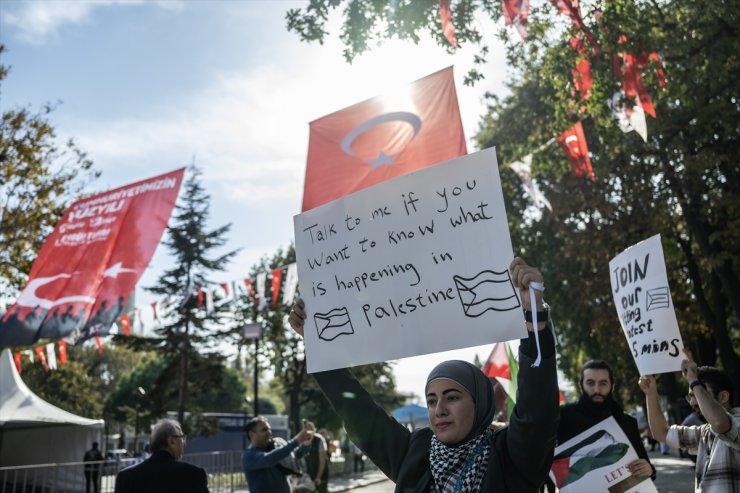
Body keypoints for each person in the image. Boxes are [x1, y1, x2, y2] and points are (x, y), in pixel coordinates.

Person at [289, 257, 559, 492]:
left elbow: (538, 410)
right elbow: (358, 412)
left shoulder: (511, 455)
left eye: (452, 398)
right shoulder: (416, 454)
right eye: (431, 400)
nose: (439, 409)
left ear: (479, 404)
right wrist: (318, 344)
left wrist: (535, 315)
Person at [546, 359, 655, 493]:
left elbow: (645, 463)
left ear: (612, 386)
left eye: (603, 383)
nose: (597, 390)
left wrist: (648, 469)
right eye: (590, 383)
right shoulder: (563, 416)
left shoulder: (626, 422)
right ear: (581, 385)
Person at [639, 351, 740, 492]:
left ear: (723, 396)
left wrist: (693, 380)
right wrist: (651, 393)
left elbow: (720, 423)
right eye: (691, 396)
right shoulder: (705, 431)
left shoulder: (736, 421)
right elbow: (662, 433)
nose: (693, 402)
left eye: (699, 393)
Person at [113, 419, 209, 493]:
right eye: (182, 438)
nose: (184, 444)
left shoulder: (125, 477)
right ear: (172, 441)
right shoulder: (193, 475)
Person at [242, 415, 313, 493]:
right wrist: (296, 441)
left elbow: (294, 456)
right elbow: (269, 459)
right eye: (264, 430)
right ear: (251, 434)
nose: (269, 433)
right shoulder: (249, 456)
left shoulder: (275, 446)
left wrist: (306, 444)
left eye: (269, 429)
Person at [303, 421, 329, 493]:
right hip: (309, 473)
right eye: (307, 430)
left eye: (311, 429)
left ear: (314, 430)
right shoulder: (303, 439)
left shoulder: (319, 440)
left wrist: (318, 477)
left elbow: (322, 461)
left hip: (321, 472)